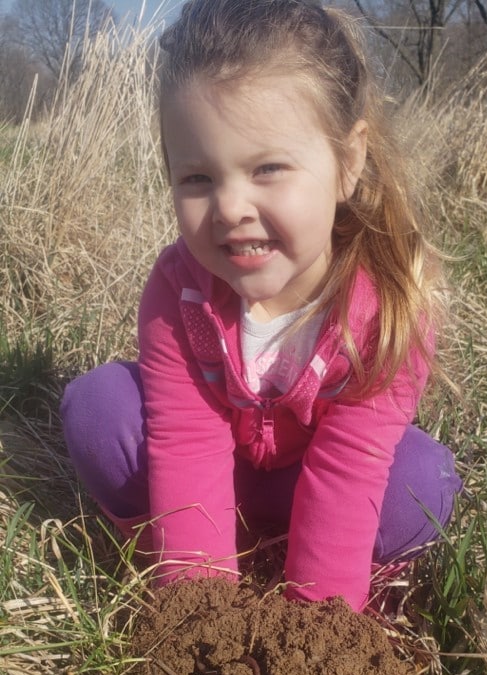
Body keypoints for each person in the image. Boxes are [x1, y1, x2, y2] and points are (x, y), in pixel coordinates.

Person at [61, 0, 461, 613]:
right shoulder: (179, 292)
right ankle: (194, 551)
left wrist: (315, 632)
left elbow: (351, 469)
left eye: (267, 168)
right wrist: (201, 621)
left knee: (422, 481)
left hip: (319, 484)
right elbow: (185, 442)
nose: (229, 208)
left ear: (347, 162)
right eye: (197, 178)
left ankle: (324, 571)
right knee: (99, 409)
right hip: (210, 475)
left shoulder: (390, 304)